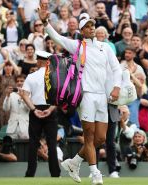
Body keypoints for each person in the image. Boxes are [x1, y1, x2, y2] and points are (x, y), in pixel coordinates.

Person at [38, 6, 122, 185]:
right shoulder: (77, 46)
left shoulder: (105, 47)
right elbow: (57, 37)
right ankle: (95, 172)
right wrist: (45, 22)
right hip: (86, 97)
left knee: (100, 138)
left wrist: (116, 87)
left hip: (103, 97)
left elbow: (116, 68)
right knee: (90, 136)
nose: (92, 28)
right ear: (82, 31)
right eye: (88, 26)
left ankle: (74, 162)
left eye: (93, 25)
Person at [19, 50, 60, 177]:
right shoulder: (55, 76)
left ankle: (30, 174)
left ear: (39, 61)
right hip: (50, 110)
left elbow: (24, 95)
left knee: (33, 143)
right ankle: (55, 173)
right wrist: (51, 109)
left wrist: (34, 109)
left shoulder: (31, 76)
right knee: (52, 143)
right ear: (48, 62)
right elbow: (59, 97)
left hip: (36, 109)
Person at [3, 75, 30, 139]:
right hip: (12, 127)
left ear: (25, 82)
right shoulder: (11, 94)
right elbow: (6, 109)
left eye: (21, 81)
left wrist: (23, 98)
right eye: (17, 81)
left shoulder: (29, 94)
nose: (19, 83)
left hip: (24, 127)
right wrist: (7, 96)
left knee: (24, 147)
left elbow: (29, 108)